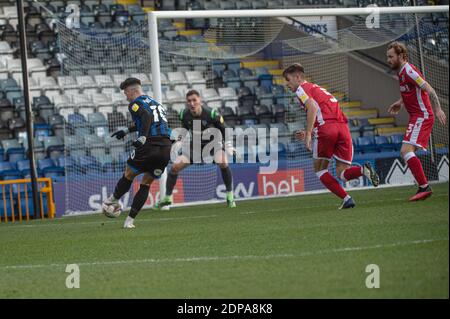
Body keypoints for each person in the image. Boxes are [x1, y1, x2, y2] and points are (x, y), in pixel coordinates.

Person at [283, 63, 380, 209]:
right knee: (342, 172)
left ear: (298, 77)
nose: (287, 84)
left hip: (327, 129)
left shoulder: (301, 89)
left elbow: (313, 108)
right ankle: (362, 170)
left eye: (288, 80)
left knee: (320, 170)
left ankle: (347, 199)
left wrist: (309, 133)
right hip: (343, 128)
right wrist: (312, 130)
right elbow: (325, 114)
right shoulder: (319, 89)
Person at [102, 78, 172, 228]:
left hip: (149, 145)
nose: (126, 96)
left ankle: (111, 200)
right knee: (146, 183)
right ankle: (129, 221)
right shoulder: (156, 103)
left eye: (126, 93)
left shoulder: (135, 103)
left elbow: (146, 116)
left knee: (129, 174)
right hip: (166, 148)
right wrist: (126, 130)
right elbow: (150, 119)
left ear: (133, 91)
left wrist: (142, 138)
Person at [154, 89, 237, 209]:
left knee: (223, 162)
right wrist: (179, 141)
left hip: (214, 144)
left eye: (194, 100)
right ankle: (167, 198)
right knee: (175, 167)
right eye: (189, 101)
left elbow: (224, 128)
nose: (192, 103)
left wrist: (228, 145)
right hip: (196, 146)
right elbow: (184, 128)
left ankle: (230, 195)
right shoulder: (184, 114)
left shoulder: (212, 113)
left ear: (200, 101)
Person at [386, 42, 446, 201]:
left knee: (406, 151)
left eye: (391, 56)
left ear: (401, 56)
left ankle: (424, 187)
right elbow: (411, 92)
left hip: (423, 115)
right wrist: (400, 102)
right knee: (407, 151)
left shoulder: (409, 71)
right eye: (388, 57)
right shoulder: (401, 73)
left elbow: (429, 89)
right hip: (417, 116)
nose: (388, 60)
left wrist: (438, 108)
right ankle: (423, 186)